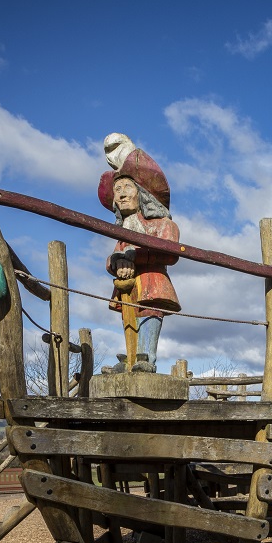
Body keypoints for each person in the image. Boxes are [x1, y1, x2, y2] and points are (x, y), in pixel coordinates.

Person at [99, 135, 181, 374]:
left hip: (152, 281)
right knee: (129, 315)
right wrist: (116, 261)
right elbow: (114, 255)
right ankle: (130, 358)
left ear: (142, 194)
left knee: (149, 313)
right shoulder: (124, 229)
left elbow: (170, 252)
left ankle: (147, 358)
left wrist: (135, 257)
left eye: (127, 188)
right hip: (129, 286)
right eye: (117, 190)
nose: (121, 194)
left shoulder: (161, 223)